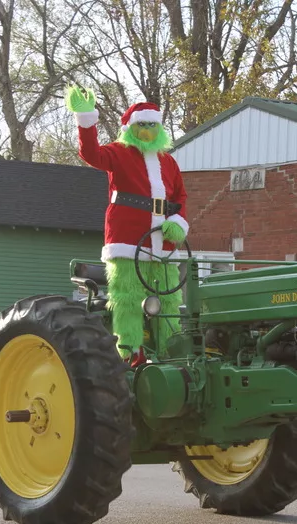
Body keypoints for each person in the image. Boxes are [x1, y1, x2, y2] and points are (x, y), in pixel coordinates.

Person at [65, 85, 189, 367]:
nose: (147, 131)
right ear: (131, 128)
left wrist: (178, 223)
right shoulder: (118, 153)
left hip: (164, 246)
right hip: (128, 241)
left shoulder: (168, 163)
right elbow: (91, 155)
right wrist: (86, 120)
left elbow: (180, 197)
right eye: (142, 125)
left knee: (169, 302)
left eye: (152, 125)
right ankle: (130, 354)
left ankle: (171, 356)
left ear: (160, 129)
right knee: (129, 299)